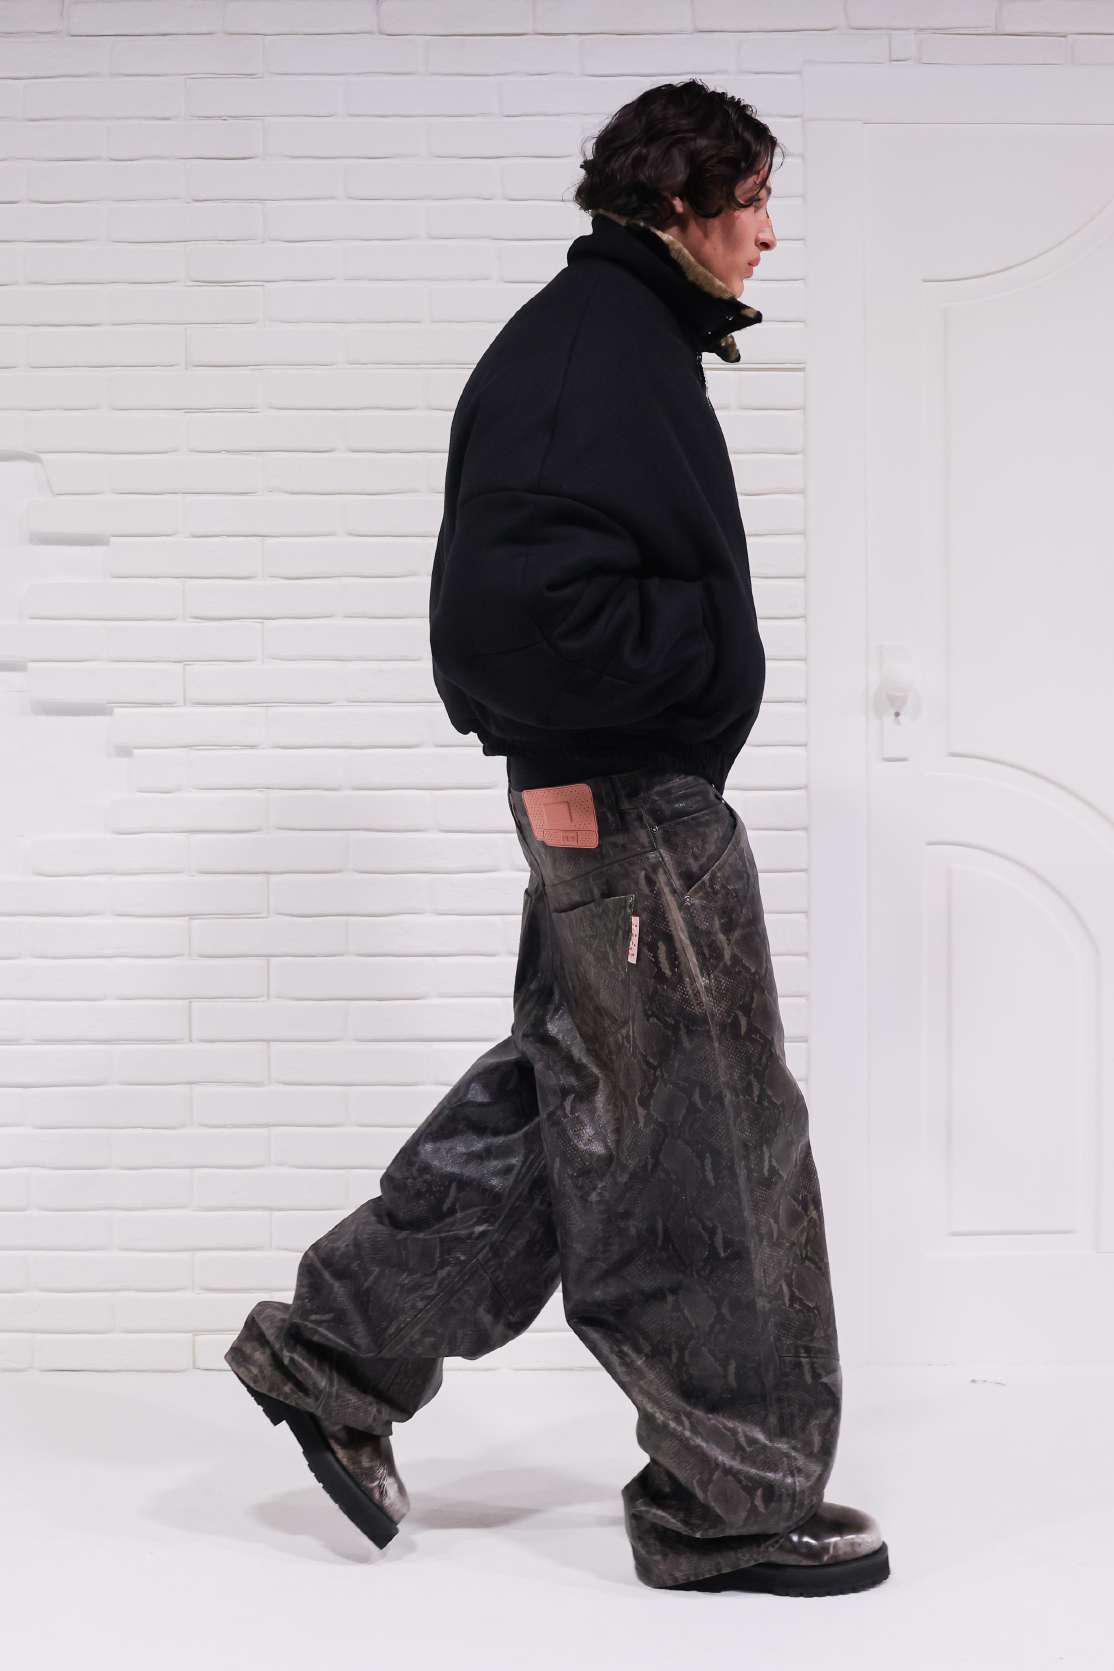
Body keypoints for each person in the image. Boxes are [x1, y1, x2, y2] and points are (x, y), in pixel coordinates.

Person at [225, 78, 890, 1597]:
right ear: (678, 204)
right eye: (752, 202)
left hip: (621, 803)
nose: (769, 234)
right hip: (633, 806)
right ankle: (727, 1501)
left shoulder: (615, 338)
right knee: (707, 1139)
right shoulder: (589, 351)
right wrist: (700, 667)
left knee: (578, 1098)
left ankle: (336, 1359)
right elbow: (505, 626)